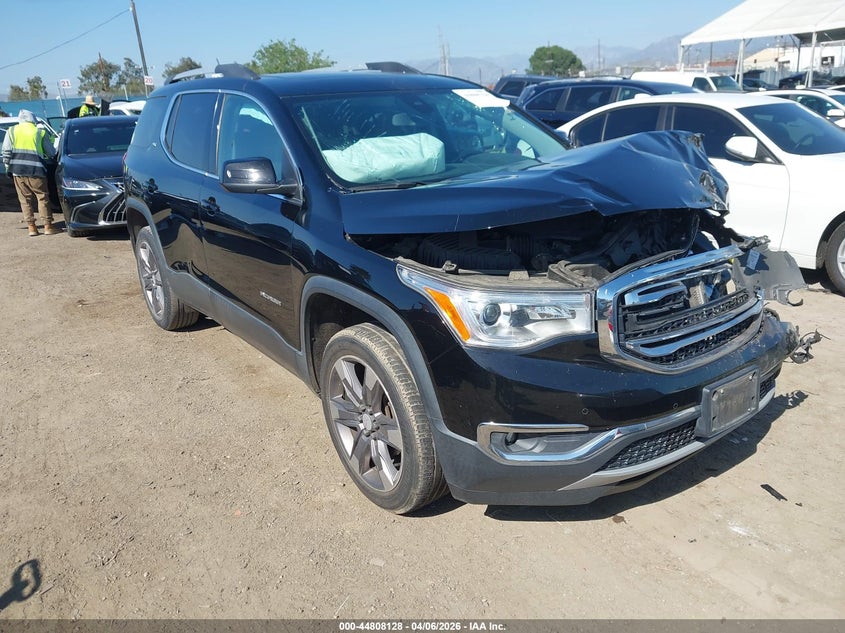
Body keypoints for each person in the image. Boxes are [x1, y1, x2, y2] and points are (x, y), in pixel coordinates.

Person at [2, 109, 59, 236]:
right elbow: (51, 153)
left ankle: (32, 228)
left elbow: (6, 152)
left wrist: (8, 167)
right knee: (42, 197)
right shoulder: (40, 132)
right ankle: (48, 226)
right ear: (33, 119)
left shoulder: (11, 131)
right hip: (36, 170)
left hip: (18, 171)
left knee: (25, 200)